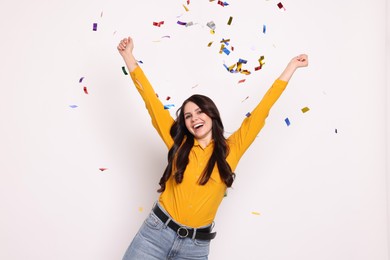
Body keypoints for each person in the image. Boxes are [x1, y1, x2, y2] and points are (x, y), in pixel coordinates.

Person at [117, 36, 308, 260]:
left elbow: (261, 112)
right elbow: (151, 101)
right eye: (188, 115)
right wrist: (128, 56)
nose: (194, 118)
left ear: (211, 114)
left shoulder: (232, 149)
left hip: (195, 247)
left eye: (199, 112)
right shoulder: (178, 143)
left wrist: (291, 67)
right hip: (154, 235)